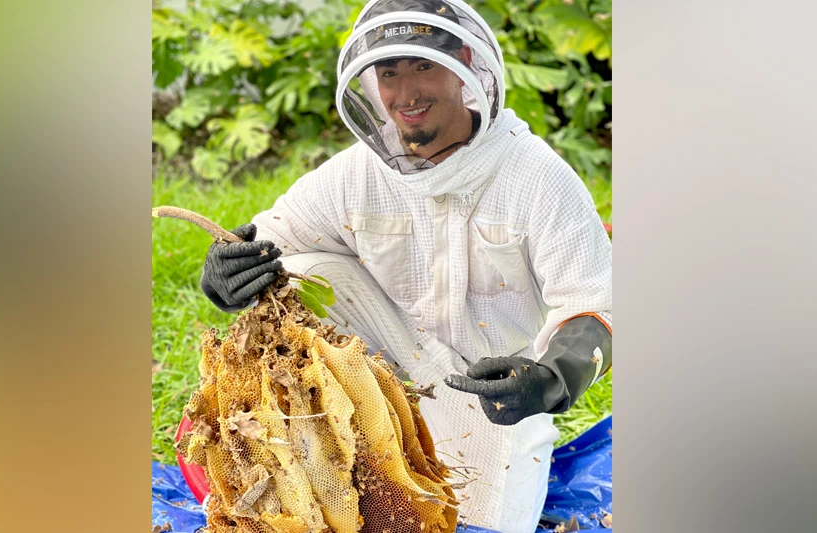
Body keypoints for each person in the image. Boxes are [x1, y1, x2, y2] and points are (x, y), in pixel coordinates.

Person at [199, 0, 612, 531]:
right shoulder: (354, 174)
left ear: (466, 65)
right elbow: (266, 241)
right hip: (378, 384)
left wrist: (551, 378)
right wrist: (225, 274)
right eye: (389, 73)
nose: (406, 93)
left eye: (424, 66)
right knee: (295, 272)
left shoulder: (537, 178)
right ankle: (317, 459)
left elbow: (596, 304)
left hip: (491, 397)